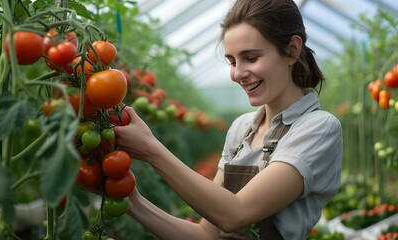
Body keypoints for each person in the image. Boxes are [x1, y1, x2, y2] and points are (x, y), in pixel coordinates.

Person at [113, 0, 343, 239]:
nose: (237, 74)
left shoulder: (318, 128)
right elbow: (206, 234)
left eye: (251, 58)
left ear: (293, 50)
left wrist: (151, 150)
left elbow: (235, 214)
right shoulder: (242, 129)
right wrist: (133, 203)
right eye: (232, 61)